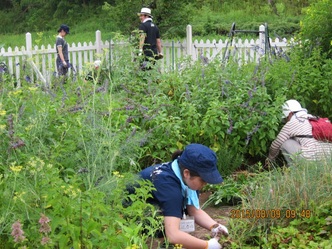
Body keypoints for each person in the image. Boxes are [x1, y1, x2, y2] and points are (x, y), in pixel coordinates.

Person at [137, 143, 229, 249]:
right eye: (203, 180)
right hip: (129, 214)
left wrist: (214, 226)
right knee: (172, 228)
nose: (205, 184)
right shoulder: (170, 188)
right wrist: (207, 245)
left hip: (151, 204)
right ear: (186, 173)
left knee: (176, 215)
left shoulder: (184, 176)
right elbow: (173, 236)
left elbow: (194, 211)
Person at [267, 99, 332, 165]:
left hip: (311, 160)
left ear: (290, 114)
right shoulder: (314, 119)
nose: (285, 121)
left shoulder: (292, 123)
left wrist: (270, 161)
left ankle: (294, 169)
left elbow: (276, 145)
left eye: (285, 118)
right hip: (328, 158)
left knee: (285, 142)